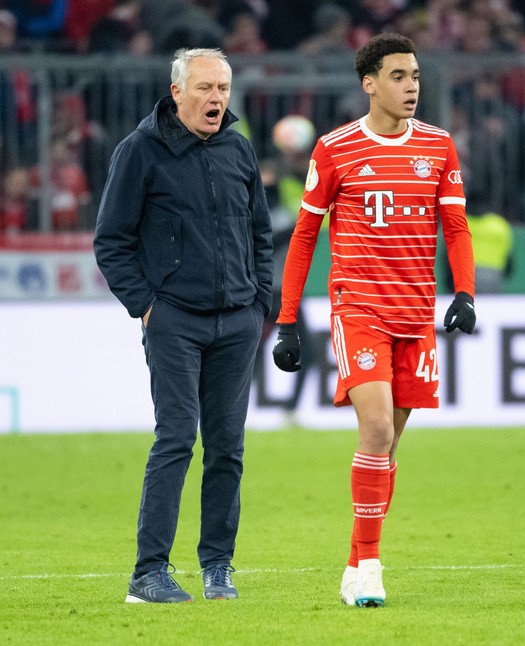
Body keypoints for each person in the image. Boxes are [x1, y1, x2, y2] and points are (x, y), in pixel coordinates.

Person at [272, 32, 475, 608]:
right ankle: (372, 569)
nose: (411, 87)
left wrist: (464, 291)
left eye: (415, 76)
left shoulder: (438, 146)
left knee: (385, 449)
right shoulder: (335, 149)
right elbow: (305, 235)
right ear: (369, 84)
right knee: (378, 429)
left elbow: (456, 228)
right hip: (358, 307)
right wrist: (288, 319)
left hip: (416, 313)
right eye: (397, 77)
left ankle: (355, 561)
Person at [94, 47, 273, 603]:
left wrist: (259, 302)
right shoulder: (140, 151)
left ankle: (218, 567)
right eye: (204, 88)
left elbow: (262, 236)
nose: (216, 98)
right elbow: (111, 241)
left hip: (237, 320)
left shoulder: (239, 150)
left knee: (228, 447)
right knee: (176, 438)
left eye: (222, 88)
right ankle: (149, 572)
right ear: (177, 92)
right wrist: (147, 307)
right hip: (174, 319)